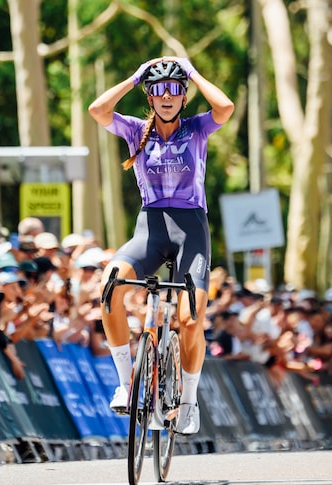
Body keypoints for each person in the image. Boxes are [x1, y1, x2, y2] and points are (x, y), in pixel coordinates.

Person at [88, 57, 234, 434]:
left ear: (183, 97)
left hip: (191, 232)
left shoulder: (197, 129)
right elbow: (98, 109)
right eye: (158, 89)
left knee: (189, 320)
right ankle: (125, 384)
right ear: (150, 97)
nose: (167, 95)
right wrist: (135, 76)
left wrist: (193, 72)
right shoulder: (137, 132)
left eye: (174, 89)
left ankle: (187, 403)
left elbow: (225, 107)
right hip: (150, 229)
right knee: (109, 288)